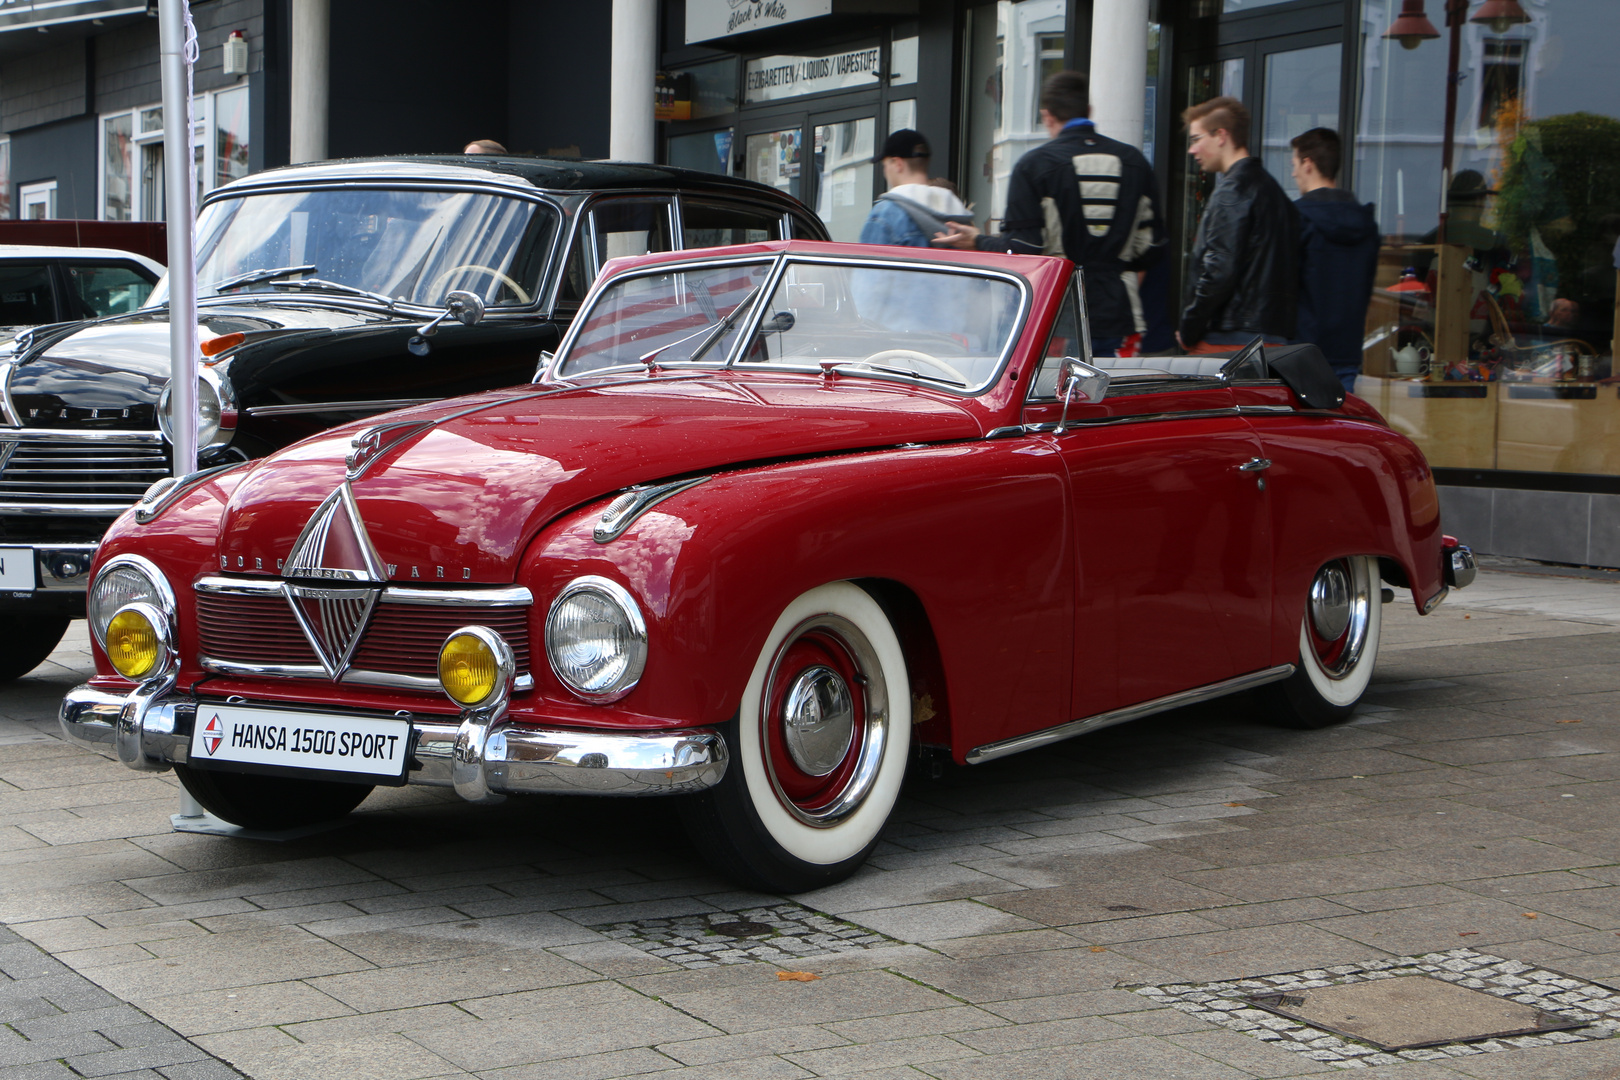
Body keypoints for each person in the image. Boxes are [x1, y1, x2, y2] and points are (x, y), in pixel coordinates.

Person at [932, 71, 1164, 356]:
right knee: (1112, 396)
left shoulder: (1035, 166)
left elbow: (1023, 248)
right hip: (1119, 315)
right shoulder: (1134, 162)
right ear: (1088, 111)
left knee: (1055, 396)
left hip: (1057, 315)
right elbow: (1153, 247)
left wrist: (978, 241)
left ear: (1047, 116)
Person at [1177, 96, 1298, 354]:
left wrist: (1188, 329)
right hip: (1274, 336)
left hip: (1229, 339)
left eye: (1196, 140)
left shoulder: (1232, 191)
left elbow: (1219, 270)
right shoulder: (1274, 192)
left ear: (1221, 135)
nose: (1192, 150)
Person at [1290, 128, 1378, 392]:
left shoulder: (1296, 219)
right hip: (1348, 351)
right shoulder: (1365, 224)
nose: (1293, 173)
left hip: (1302, 355)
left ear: (1308, 164)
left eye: (1294, 164)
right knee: (1338, 430)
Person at [859, 130, 973, 248]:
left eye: (885, 165)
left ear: (898, 164)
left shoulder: (885, 214)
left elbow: (869, 265)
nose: (885, 172)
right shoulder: (960, 215)